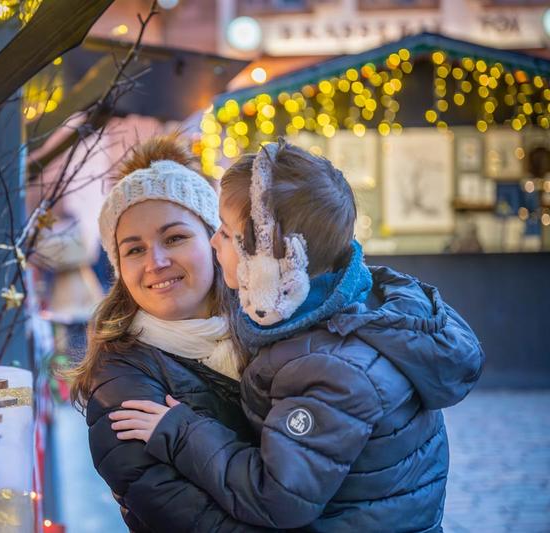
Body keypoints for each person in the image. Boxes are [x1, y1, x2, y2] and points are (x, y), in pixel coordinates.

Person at [111, 139, 485, 532]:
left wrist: (183, 432)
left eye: (226, 232)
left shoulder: (328, 369)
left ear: (272, 259)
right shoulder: (328, 313)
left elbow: (279, 498)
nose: (213, 240)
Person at [68, 136, 275, 532]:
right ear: (119, 268)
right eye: (134, 250)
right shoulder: (120, 382)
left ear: (215, 241)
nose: (156, 262)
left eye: (175, 238)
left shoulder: (272, 330)